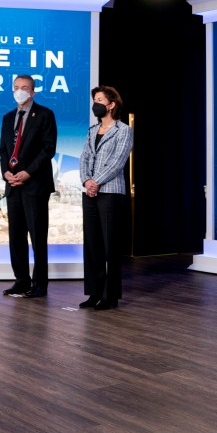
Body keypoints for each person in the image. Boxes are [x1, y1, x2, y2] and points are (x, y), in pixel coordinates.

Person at [0, 74, 57, 298]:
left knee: (37, 235)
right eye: (16, 88)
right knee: (16, 236)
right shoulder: (7, 117)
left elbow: (48, 149)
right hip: (13, 185)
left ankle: (40, 284)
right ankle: (21, 280)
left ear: (33, 92)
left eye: (24, 88)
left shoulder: (44, 115)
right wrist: (6, 173)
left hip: (35, 185)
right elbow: (4, 150)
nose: (19, 91)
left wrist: (27, 172)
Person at [79, 86, 134, 311]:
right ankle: (94, 293)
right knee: (92, 245)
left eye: (100, 99)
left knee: (109, 245)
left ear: (111, 104)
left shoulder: (123, 130)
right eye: (94, 99)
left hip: (110, 192)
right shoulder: (92, 130)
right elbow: (83, 158)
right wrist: (86, 182)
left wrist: (96, 181)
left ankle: (109, 296)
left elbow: (118, 161)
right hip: (90, 192)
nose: (96, 103)